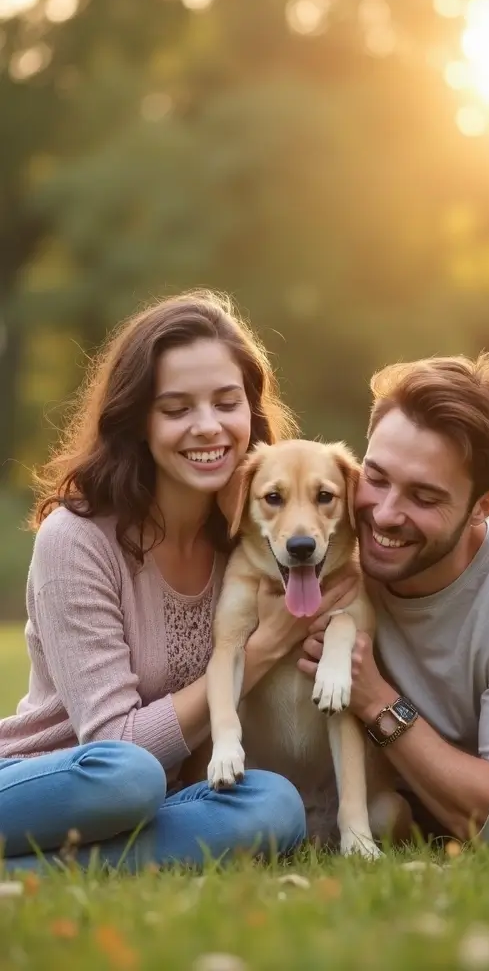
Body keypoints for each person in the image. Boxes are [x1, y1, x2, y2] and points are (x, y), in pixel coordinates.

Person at [0, 289, 355, 874]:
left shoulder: (254, 537)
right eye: (176, 409)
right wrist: (264, 649)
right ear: (138, 421)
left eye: (226, 402)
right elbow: (113, 741)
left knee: (274, 805)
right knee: (129, 774)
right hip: (56, 779)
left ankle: (31, 870)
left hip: (164, 799)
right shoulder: (77, 539)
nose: (208, 427)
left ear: (251, 412)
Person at [299, 353, 489, 846]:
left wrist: (376, 700)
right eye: (376, 478)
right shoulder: (317, 547)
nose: (385, 514)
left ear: (482, 506)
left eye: (424, 497)